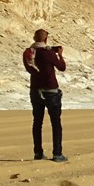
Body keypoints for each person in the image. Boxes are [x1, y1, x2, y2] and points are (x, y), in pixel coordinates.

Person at [23, 29, 68, 162]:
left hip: (35, 90)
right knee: (56, 123)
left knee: (37, 122)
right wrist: (60, 55)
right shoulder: (49, 53)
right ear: (46, 40)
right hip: (51, 91)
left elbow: (30, 68)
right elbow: (62, 67)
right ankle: (57, 154)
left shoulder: (28, 53)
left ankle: (38, 153)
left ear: (34, 38)